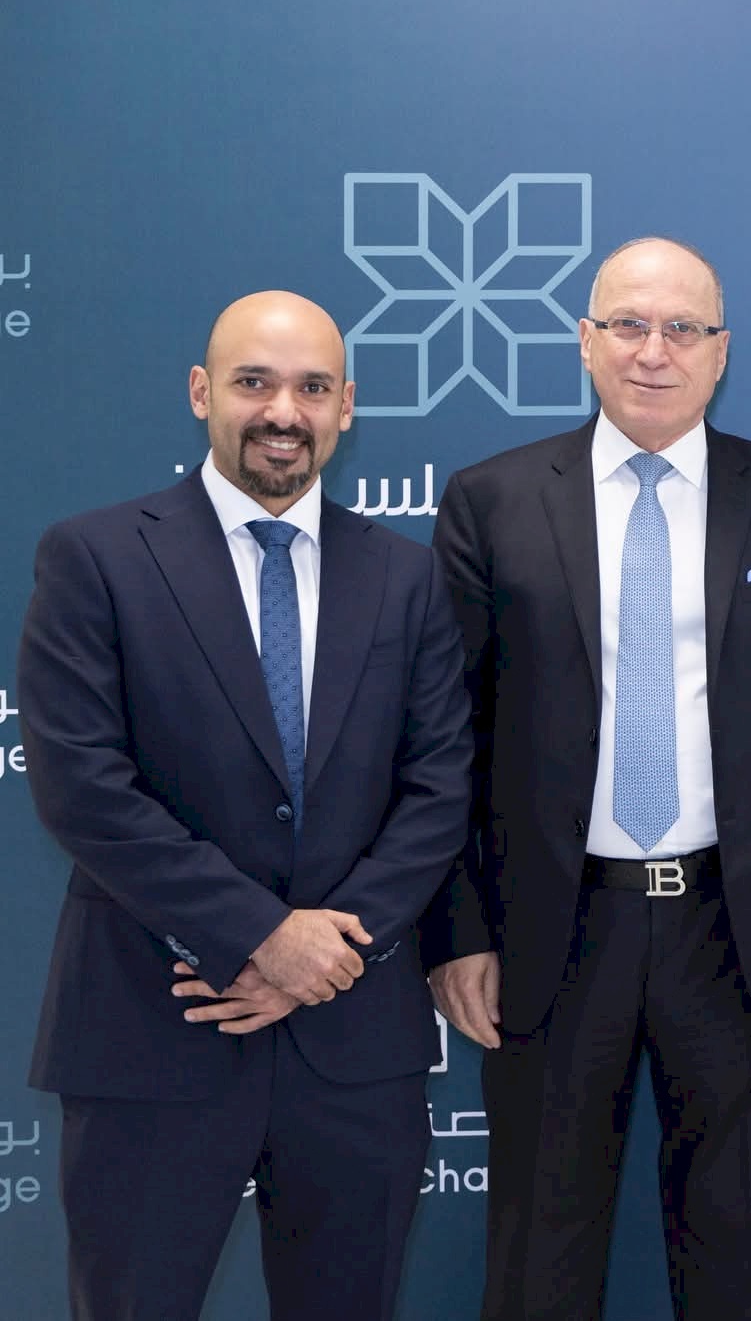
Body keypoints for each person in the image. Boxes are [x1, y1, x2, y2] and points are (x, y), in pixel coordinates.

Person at [420, 237, 751, 1320]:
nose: (653, 352)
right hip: (552, 933)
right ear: (585, 341)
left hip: (736, 932)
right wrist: (458, 929)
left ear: (720, 352)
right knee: (538, 1261)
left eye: (682, 329)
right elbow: (444, 742)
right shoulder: (490, 501)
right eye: (628, 325)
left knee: (732, 1261)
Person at [17, 291, 472, 1320]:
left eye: (312, 387)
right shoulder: (94, 558)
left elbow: (440, 785)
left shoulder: (405, 577)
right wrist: (265, 936)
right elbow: (83, 785)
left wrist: (327, 955)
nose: (282, 412)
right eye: (253, 382)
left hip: (353, 1051)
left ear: (346, 406)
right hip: (154, 1030)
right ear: (201, 392)